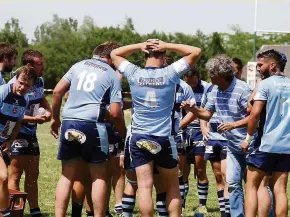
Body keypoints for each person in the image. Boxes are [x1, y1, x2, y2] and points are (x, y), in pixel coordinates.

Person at [111, 39, 201, 217]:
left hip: (138, 137)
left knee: (144, 186)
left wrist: (138, 45)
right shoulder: (170, 73)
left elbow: (115, 54)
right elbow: (195, 51)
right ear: (164, 56)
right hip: (163, 137)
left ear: (145, 55)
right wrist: (167, 44)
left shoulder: (134, 72)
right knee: (172, 186)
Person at [50, 42, 127, 217]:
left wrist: (55, 118)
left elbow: (56, 92)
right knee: (98, 176)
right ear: (112, 57)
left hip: (69, 122)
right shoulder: (111, 74)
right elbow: (115, 113)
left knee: (67, 175)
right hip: (93, 124)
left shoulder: (77, 66)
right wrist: (124, 134)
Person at [181, 55, 252, 217]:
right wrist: (193, 109)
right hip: (231, 146)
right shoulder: (215, 90)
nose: (209, 77)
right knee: (232, 183)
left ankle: (267, 211)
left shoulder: (242, 89)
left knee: (253, 183)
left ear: (221, 74)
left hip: (246, 144)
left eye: (212, 74)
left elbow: (254, 117)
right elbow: (206, 114)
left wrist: (234, 125)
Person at [243, 49, 290, 217]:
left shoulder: (265, 84)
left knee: (251, 186)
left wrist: (248, 139)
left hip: (265, 144)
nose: (258, 68)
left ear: (272, 65)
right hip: (286, 146)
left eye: (260, 65)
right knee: (280, 190)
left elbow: (254, 113)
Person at [8, 49, 52, 217]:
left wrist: (48, 111)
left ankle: (35, 210)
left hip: (31, 133)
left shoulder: (39, 81)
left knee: (33, 174)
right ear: (29, 66)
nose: (44, 67)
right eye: (40, 64)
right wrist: (36, 119)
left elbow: (41, 98)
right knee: (16, 173)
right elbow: (14, 113)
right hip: (16, 133)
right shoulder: (16, 84)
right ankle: (14, 211)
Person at [0, 65, 37, 217]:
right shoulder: (3, 92)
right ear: (15, 78)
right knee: (3, 177)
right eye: (21, 82)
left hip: (2, 143)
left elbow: (17, 123)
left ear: (32, 87)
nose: (22, 87)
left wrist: (10, 141)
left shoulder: (25, 100)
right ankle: (5, 213)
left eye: (27, 85)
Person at [179, 68, 210, 216]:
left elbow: (209, 111)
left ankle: (202, 205)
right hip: (183, 132)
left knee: (200, 169)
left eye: (193, 82)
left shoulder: (206, 87)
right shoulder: (180, 87)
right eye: (188, 82)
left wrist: (205, 126)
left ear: (198, 77)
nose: (191, 85)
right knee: (182, 170)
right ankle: (182, 203)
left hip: (199, 132)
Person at [200, 84, 229, 217]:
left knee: (227, 176)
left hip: (228, 139)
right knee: (218, 176)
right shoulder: (210, 89)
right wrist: (203, 127)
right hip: (213, 139)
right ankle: (223, 211)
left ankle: (229, 211)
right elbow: (203, 109)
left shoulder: (238, 87)